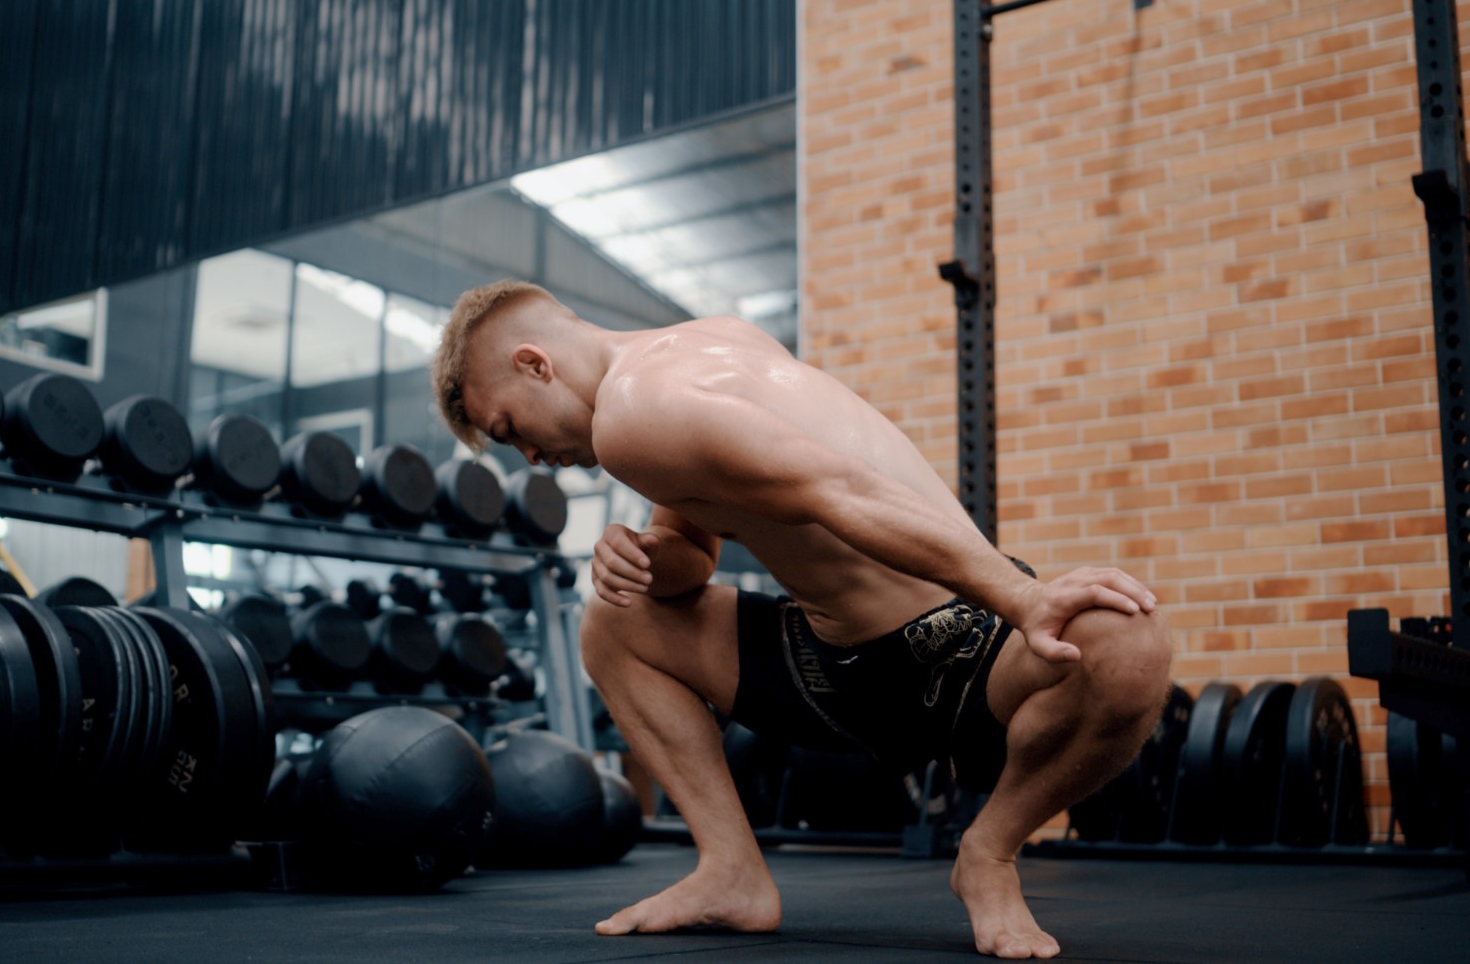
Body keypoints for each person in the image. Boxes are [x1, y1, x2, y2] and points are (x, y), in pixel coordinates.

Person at [433, 279, 1170, 960]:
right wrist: (645, 560)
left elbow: (840, 488)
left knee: (1126, 642)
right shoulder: (675, 372)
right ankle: (730, 870)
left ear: (535, 364)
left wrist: (1022, 598)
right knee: (614, 619)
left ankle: (990, 851)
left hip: (966, 651)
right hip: (829, 667)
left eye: (509, 428)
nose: (531, 456)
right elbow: (694, 551)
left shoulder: (635, 411)